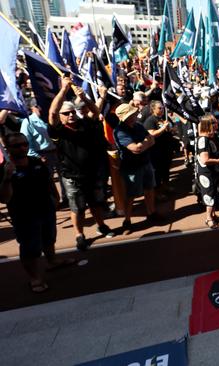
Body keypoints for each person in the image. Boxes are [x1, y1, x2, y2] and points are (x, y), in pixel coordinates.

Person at [0, 133, 76, 293]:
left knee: (49, 237)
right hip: (24, 215)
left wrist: (55, 196)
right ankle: (34, 277)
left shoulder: (36, 162)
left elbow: (47, 180)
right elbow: (4, 198)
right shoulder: (5, 169)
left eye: (24, 144)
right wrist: (7, 177)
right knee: (30, 247)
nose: (22, 147)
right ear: (7, 148)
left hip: (45, 208)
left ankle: (52, 261)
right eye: (17, 145)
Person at [48, 76, 115, 250]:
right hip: (72, 177)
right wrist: (64, 90)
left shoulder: (84, 124)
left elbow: (95, 112)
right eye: (66, 113)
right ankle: (79, 235)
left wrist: (84, 97)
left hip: (91, 173)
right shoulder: (58, 131)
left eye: (71, 112)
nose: (70, 115)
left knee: (96, 202)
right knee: (77, 207)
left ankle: (101, 225)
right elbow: (52, 113)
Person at [113, 103, 159, 234]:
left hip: (146, 163)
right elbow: (135, 148)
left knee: (149, 189)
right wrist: (145, 143)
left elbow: (150, 141)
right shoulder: (119, 131)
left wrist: (142, 145)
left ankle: (152, 212)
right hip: (131, 168)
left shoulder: (138, 126)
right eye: (131, 114)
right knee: (131, 195)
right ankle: (127, 220)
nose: (134, 115)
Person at [195, 115, 219, 228]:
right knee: (209, 195)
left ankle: (213, 215)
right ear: (208, 125)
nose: (217, 124)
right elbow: (205, 160)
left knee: (215, 193)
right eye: (214, 122)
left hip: (216, 171)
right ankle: (209, 218)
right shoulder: (203, 140)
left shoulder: (214, 136)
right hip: (208, 174)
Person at [142, 101, 175, 199]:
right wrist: (163, 128)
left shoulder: (164, 118)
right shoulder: (150, 120)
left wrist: (171, 129)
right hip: (156, 150)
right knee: (157, 172)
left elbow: (173, 128)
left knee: (166, 169)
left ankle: (166, 187)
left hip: (166, 148)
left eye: (162, 108)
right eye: (159, 108)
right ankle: (157, 193)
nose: (162, 109)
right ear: (153, 109)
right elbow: (151, 134)